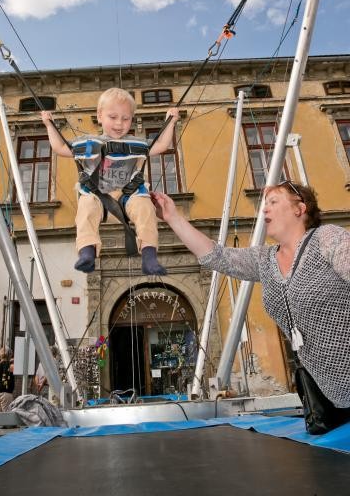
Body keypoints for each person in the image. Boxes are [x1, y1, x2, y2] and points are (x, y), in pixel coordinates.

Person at [151, 181, 350, 426]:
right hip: (327, 396)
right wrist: (172, 217)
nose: (264, 209)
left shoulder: (328, 238)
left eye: (274, 202)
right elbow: (218, 257)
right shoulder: (266, 259)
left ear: (300, 209)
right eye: (264, 204)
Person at [41, 88, 179, 275]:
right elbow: (60, 147)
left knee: (146, 209)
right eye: (113, 117)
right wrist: (49, 125)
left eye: (125, 118)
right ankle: (87, 251)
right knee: (86, 207)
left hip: (128, 196)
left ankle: (149, 257)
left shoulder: (137, 144)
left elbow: (162, 145)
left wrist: (170, 121)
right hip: (98, 196)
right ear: (99, 116)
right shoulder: (89, 143)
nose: (119, 124)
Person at [0, 347, 15, 412]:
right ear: (9, 355)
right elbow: (17, 368)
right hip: (5, 393)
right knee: (7, 415)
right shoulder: (9, 365)